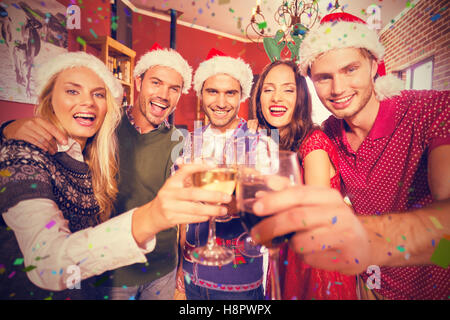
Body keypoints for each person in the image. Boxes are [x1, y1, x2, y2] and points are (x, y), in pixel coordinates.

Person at [1, 44, 232, 300]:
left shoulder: (180, 140)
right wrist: (10, 129)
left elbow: (183, 209)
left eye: (174, 88)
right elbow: (48, 259)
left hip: (162, 269)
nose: (164, 94)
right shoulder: (103, 126)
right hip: (109, 271)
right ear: (138, 82)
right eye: (156, 82)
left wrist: (181, 262)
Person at [249, 12, 450, 300]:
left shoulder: (431, 111)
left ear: (373, 64)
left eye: (350, 69)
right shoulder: (330, 132)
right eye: (323, 77)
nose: (338, 88)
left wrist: (364, 237)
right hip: (367, 285)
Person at [249, 59, 357, 300]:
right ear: (259, 98)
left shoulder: (313, 144)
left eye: (288, 89)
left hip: (318, 270)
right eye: (268, 89)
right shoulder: (275, 143)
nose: (277, 97)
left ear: (301, 98)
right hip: (289, 258)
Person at [176, 48, 266, 300]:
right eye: (212, 91)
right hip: (193, 274)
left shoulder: (259, 141)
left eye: (230, 93)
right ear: (201, 94)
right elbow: (183, 211)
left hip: (238, 279)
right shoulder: (190, 141)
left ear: (242, 96)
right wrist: (181, 264)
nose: (221, 102)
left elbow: (264, 210)